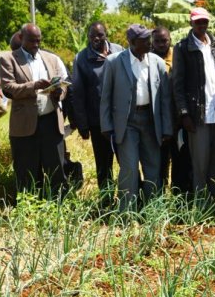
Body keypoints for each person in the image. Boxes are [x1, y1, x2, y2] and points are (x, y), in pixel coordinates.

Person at [100, 24, 172, 211]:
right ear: (131, 43)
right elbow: (105, 96)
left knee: (153, 167)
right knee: (129, 169)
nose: (150, 44)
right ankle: (127, 213)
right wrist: (106, 125)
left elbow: (164, 98)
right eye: (145, 41)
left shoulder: (157, 62)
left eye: (149, 40)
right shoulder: (114, 62)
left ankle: (152, 211)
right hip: (127, 123)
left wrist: (166, 127)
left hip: (151, 121)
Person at [0, 23, 70, 196]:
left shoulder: (50, 58)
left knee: (56, 168)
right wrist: (34, 86)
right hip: (25, 125)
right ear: (21, 38)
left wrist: (59, 93)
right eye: (32, 41)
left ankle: (58, 205)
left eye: (38, 40)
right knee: (27, 171)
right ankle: (29, 209)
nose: (36, 45)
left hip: (50, 121)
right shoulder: (9, 59)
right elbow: (8, 88)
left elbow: (63, 86)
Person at [172, 8, 215, 199]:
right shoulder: (182, 48)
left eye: (204, 21)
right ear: (191, 23)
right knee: (200, 165)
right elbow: (178, 85)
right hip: (199, 116)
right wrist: (184, 113)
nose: (202, 25)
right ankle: (201, 206)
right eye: (198, 22)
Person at [70, 22, 123, 196]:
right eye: (92, 35)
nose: (96, 38)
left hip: (122, 118)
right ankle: (107, 201)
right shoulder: (82, 58)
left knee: (126, 161)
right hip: (98, 121)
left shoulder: (119, 51)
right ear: (88, 36)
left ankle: (131, 199)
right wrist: (82, 124)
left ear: (106, 34)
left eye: (100, 35)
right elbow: (77, 93)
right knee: (103, 164)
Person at [152, 26, 190, 194]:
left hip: (178, 119)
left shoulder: (178, 56)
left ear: (170, 40)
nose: (161, 44)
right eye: (157, 41)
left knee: (179, 161)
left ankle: (178, 198)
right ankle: (158, 198)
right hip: (155, 120)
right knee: (159, 162)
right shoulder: (147, 58)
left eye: (164, 40)